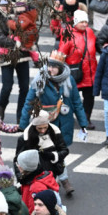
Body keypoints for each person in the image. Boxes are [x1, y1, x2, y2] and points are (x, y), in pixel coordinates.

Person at [21, 55, 87, 196]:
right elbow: (29, 102)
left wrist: (83, 123)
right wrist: (23, 124)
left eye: (54, 67)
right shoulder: (40, 79)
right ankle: (62, 180)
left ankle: (60, 179)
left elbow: (76, 102)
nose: (51, 69)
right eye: (49, 66)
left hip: (64, 124)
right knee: (48, 153)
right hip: (45, 125)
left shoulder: (69, 80)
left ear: (60, 67)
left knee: (60, 153)